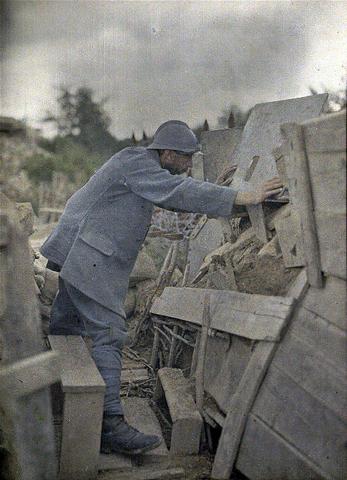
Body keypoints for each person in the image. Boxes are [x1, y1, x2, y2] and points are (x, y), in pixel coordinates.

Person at [40, 120, 282, 455]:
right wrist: (243, 195)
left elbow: (175, 198)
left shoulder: (137, 165)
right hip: (91, 252)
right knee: (109, 332)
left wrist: (225, 195)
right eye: (184, 158)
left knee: (65, 326)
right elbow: (179, 192)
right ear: (166, 153)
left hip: (80, 248)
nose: (187, 165)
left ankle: (52, 398)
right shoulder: (138, 163)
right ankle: (109, 426)